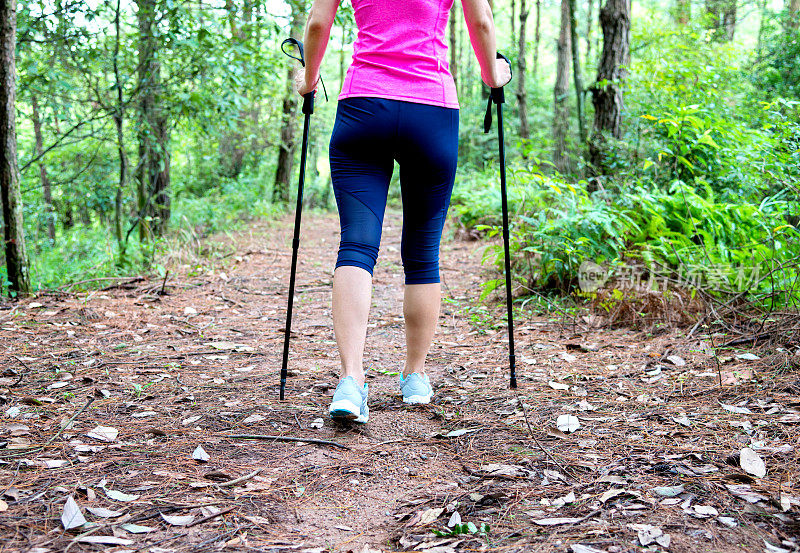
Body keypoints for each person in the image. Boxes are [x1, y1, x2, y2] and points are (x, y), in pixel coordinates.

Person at [296, 0, 510, 423]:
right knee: (422, 251)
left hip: (364, 107)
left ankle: (352, 381)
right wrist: (494, 77)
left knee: (356, 243)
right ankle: (414, 376)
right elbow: (481, 21)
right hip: (432, 111)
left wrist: (308, 80)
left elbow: (319, 22)